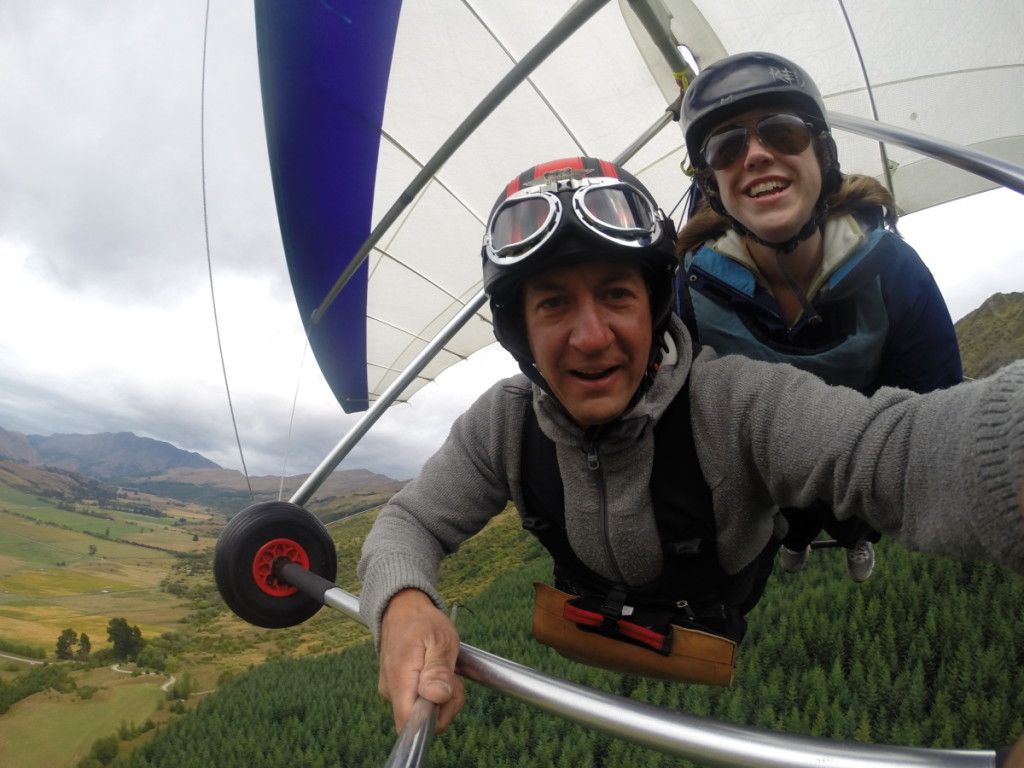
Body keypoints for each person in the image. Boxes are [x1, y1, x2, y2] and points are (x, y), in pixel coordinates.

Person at [357, 156, 1024, 734]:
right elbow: (408, 522)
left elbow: (893, 451)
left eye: (617, 294)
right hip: (599, 626)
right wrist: (405, 605)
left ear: (654, 306)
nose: (591, 337)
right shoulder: (504, 425)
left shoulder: (736, 404)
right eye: (554, 304)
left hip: (716, 618)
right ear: (520, 333)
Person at [674, 51, 963, 582]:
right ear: (713, 182)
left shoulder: (890, 270)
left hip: (867, 456)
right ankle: (797, 541)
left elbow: (934, 401)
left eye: (782, 132)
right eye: (727, 146)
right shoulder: (693, 289)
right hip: (773, 473)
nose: (757, 155)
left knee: (856, 516)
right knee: (794, 518)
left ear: (822, 152)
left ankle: (856, 541)